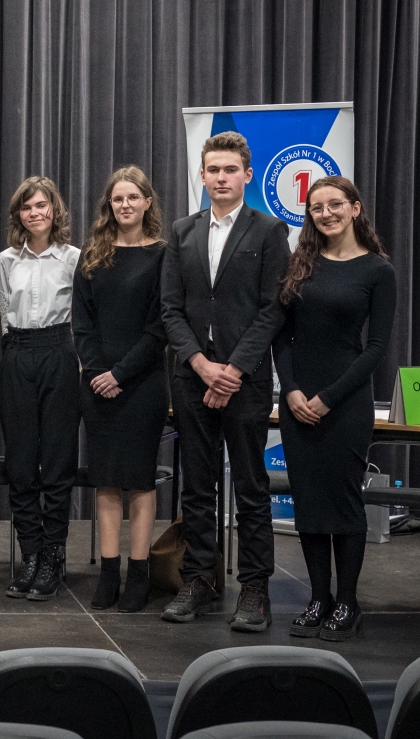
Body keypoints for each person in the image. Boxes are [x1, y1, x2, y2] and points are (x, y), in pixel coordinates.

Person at [160, 131, 290, 631]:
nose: (220, 177)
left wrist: (232, 370)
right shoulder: (182, 231)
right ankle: (198, 578)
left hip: (245, 380)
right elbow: (170, 309)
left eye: (230, 169)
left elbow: (273, 308)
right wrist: (200, 364)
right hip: (192, 378)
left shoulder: (269, 230)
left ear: (247, 175)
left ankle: (255, 589)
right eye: (212, 169)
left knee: (251, 488)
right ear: (201, 174)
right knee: (197, 487)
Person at [274, 177, 395, 642]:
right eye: (317, 207)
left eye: (335, 205)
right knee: (307, 501)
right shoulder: (300, 265)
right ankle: (318, 599)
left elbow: (376, 348)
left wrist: (328, 397)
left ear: (354, 208)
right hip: (297, 402)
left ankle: (348, 602)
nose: (326, 214)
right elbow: (282, 337)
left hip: (345, 403)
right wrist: (290, 391)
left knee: (343, 502)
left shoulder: (378, 270)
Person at [73, 166, 168, 613]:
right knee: (106, 480)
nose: (125, 205)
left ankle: (139, 572)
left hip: (143, 384)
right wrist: (97, 372)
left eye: (132, 197)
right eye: (117, 199)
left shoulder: (163, 255)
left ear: (147, 202)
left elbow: (159, 328)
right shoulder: (92, 255)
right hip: (97, 384)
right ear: (108, 206)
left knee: (140, 481)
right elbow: (82, 322)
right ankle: (109, 572)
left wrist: (120, 374)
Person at [0, 176, 80, 601]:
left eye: (41, 205)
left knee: (57, 464)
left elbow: (82, 317)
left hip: (59, 353)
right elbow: (4, 313)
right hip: (18, 353)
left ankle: (52, 558)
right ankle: (30, 554)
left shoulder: (73, 258)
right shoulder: (7, 259)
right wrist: (13, 354)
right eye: (27, 207)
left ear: (54, 210)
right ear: (19, 215)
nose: (35, 213)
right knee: (21, 464)